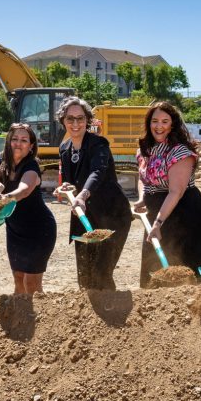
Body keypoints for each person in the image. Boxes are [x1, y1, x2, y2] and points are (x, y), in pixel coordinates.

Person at [57, 97, 131, 290]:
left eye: (80, 118)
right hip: (84, 218)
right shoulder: (64, 149)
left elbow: (97, 172)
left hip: (112, 215)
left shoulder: (99, 144)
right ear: (63, 121)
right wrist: (66, 188)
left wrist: (82, 195)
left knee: (101, 273)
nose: (75, 123)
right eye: (70, 118)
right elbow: (71, 181)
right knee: (85, 274)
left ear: (87, 120)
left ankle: (110, 306)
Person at [134, 101, 201, 287]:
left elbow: (176, 191)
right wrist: (142, 198)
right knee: (154, 269)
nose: (159, 126)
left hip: (183, 214)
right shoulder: (145, 149)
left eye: (165, 121)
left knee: (186, 269)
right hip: (156, 213)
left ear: (172, 124)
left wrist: (158, 223)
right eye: (154, 121)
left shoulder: (180, 152)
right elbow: (143, 177)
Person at [0, 123, 57, 294]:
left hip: (39, 231)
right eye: (15, 139)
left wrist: (6, 198)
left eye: (24, 140)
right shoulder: (2, 160)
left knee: (31, 284)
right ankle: (20, 311)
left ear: (31, 146)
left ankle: (39, 311)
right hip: (15, 230)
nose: (18, 143)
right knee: (18, 279)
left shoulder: (32, 166)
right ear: (8, 141)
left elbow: (24, 190)